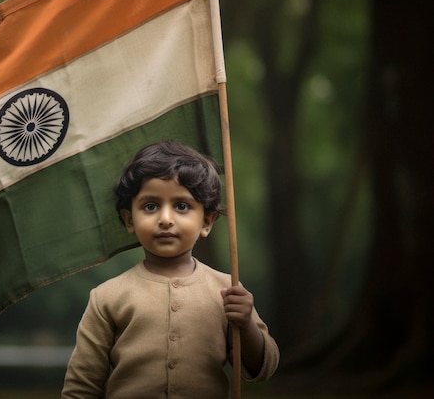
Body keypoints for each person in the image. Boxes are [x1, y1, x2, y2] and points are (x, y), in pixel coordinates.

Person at [61, 141, 279, 398]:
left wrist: (245, 324)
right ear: (130, 219)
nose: (165, 218)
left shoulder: (228, 291)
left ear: (207, 221)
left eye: (182, 206)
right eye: (150, 206)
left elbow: (262, 367)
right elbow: (81, 386)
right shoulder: (107, 297)